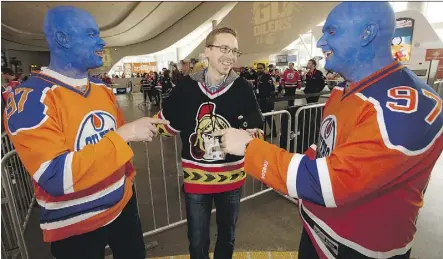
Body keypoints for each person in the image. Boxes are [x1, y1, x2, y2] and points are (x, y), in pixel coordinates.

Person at [214, 2, 443, 259]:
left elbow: (331, 183)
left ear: (366, 34)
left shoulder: (405, 110)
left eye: (332, 32)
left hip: (359, 250)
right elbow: (326, 149)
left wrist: (249, 148)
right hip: (316, 232)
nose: (321, 42)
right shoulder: (342, 89)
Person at [3, 6, 169, 259]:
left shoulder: (102, 90)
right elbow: (55, 177)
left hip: (123, 208)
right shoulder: (30, 98)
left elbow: (120, 150)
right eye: (91, 34)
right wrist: (123, 135)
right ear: (62, 39)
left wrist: (128, 182)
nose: (101, 41)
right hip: (74, 227)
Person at [153, 27, 264, 259]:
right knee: (196, 241)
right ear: (207, 52)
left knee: (227, 237)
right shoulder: (186, 87)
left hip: (232, 179)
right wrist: (144, 127)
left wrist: (249, 136)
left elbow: (257, 129)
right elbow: (168, 124)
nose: (230, 55)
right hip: (196, 180)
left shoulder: (243, 88)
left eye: (234, 50)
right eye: (224, 48)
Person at [255, 63, 277, 138]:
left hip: (268, 100)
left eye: (260, 68)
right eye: (258, 68)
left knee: (269, 117)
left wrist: (269, 98)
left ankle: (273, 133)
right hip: (261, 100)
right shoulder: (258, 77)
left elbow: (272, 89)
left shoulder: (267, 77)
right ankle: (262, 134)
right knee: (262, 116)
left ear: (264, 68)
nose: (259, 70)